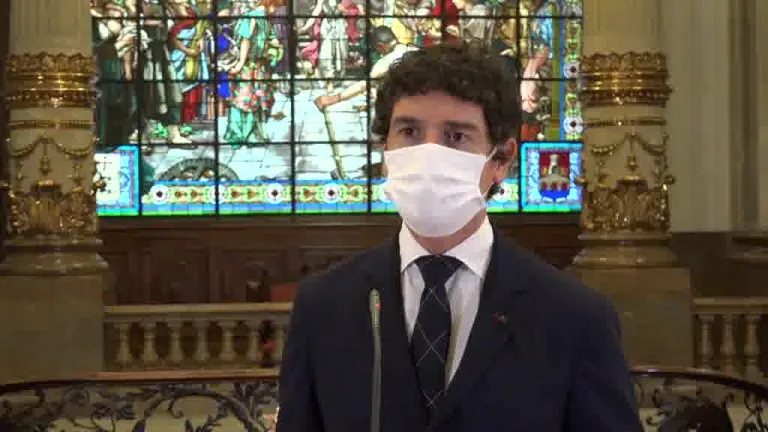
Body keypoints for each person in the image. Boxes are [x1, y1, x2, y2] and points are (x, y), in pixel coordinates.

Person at [276, 42, 642, 432]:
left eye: (456, 136)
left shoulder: (575, 317)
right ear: (384, 149)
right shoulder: (323, 306)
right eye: (409, 132)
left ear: (501, 159)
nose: (428, 153)